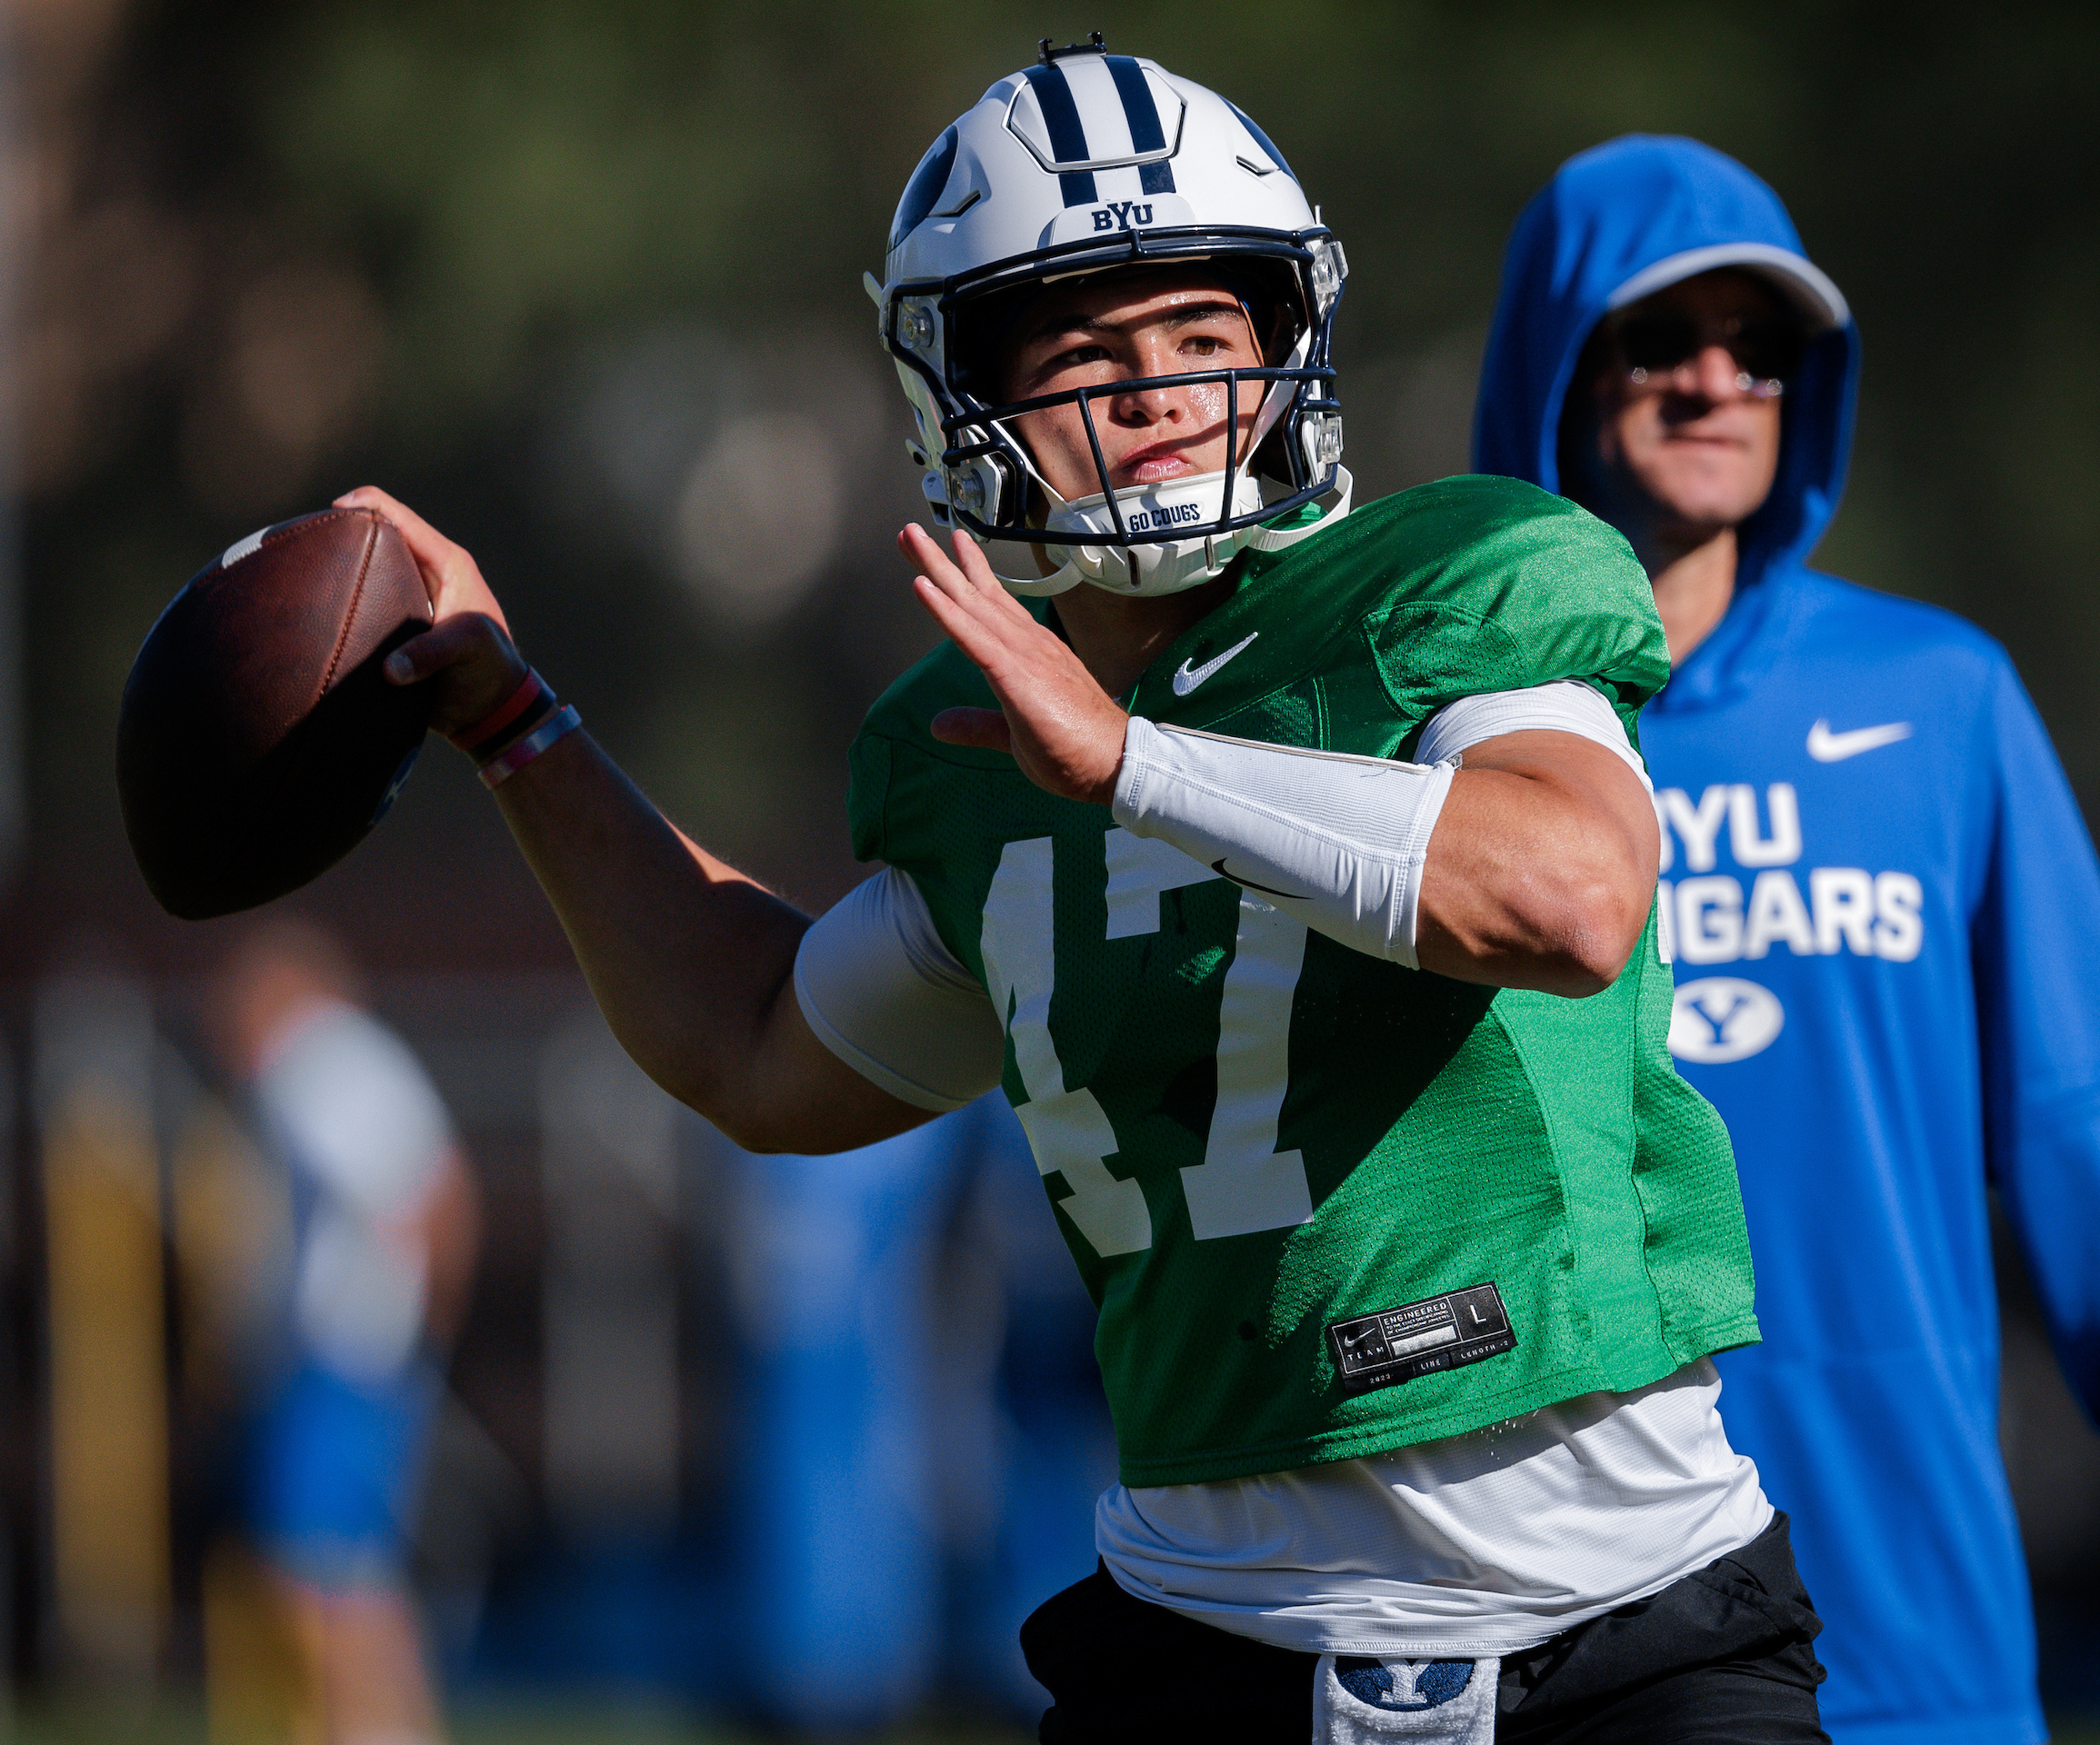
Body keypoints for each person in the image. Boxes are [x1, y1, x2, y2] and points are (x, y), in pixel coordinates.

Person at [339, 45, 1827, 1742]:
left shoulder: (1459, 574)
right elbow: (753, 1043)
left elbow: (1568, 900)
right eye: (1092, 356)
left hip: (1621, 1616)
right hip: (1202, 1634)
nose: (1168, 393)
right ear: (957, 395)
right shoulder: (976, 743)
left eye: (1207, 337)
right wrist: (514, 720)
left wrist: (1139, 762)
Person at [1472, 134, 2100, 1745]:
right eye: (1663, 337)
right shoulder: (1434, 747)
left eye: (1764, 344)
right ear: (1554, 368)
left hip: (1908, 1623)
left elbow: (2098, 1128)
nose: (1720, 380)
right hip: (1563, 1647)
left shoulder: (1937, 703)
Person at [205, 919, 480, 1745]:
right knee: (351, 1577)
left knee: (319, 1577)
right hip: (356, 1361)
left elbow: (437, 1201)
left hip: (348, 1363)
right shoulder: (348, 1063)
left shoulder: (318, 1064)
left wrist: (411, 1331)